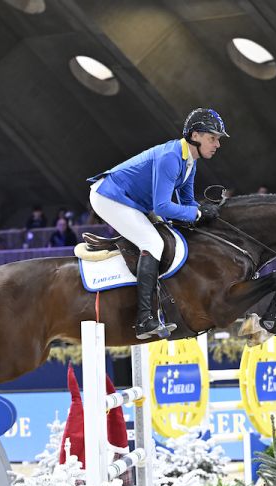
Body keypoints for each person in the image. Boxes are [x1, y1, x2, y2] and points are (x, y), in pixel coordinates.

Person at [87, 107, 229, 340]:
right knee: (152, 242)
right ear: (195, 136)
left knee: (170, 233)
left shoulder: (190, 161)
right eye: (212, 138)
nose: (217, 144)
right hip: (109, 196)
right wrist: (197, 213)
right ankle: (144, 319)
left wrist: (203, 214)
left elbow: (188, 203)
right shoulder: (171, 158)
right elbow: (163, 207)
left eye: (218, 139)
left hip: (134, 201)